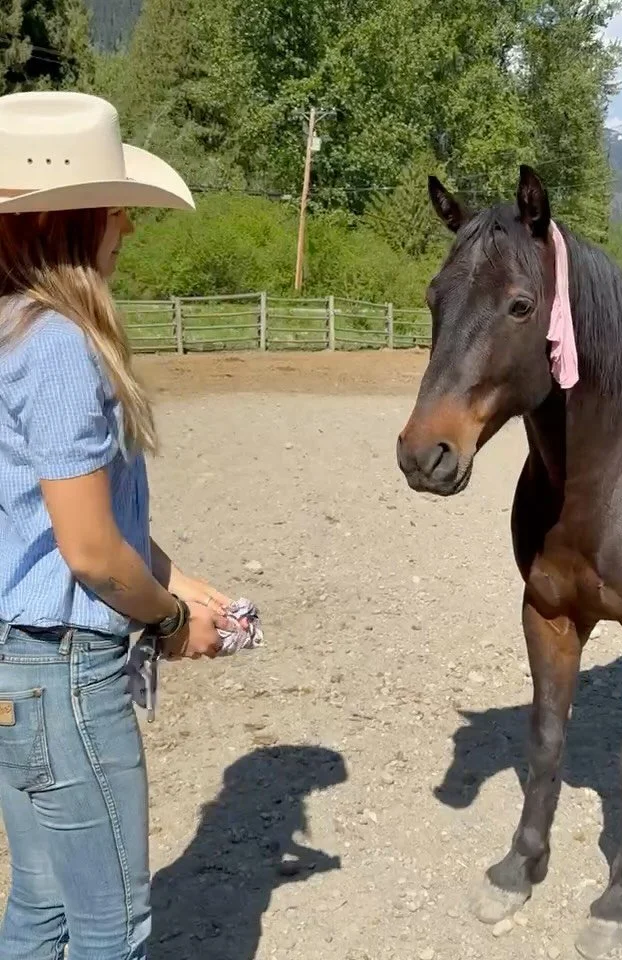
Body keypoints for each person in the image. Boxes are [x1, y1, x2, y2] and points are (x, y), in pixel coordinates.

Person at [0, 90, 232, 959]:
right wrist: (170, 622)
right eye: (113, 212)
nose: (126, 231)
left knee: (43, 909)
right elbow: (90, 550)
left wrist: (169, 573)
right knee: (111, 929)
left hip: (18, 667)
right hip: (65, 674)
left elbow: (51, 514)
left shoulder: (11, 329)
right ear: (65, 222)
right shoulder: (59, 343)